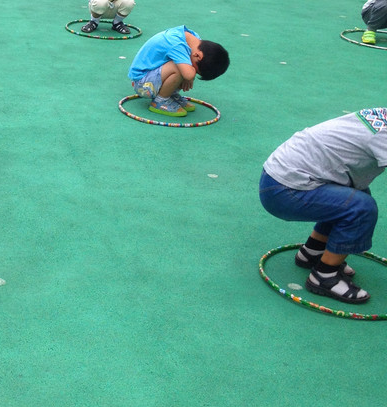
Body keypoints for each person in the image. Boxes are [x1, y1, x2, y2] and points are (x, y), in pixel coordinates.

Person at [259, 109, 387, 305]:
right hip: (284, 190)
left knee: (353, 196)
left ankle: (313, 251)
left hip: (278, 178)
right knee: (361, 207)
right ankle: (324, 276)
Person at [127, 25, 230, 117]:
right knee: (182, 68)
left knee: (184, 66)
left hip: (153, 76)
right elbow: (188, 74)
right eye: (196, 70)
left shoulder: (194, 39)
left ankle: (169, 94)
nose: (194, 73)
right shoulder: (176, 44)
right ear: (198, 55)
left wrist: (189, 74)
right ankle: (160, 101)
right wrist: (189, 76)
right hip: (143, 84)